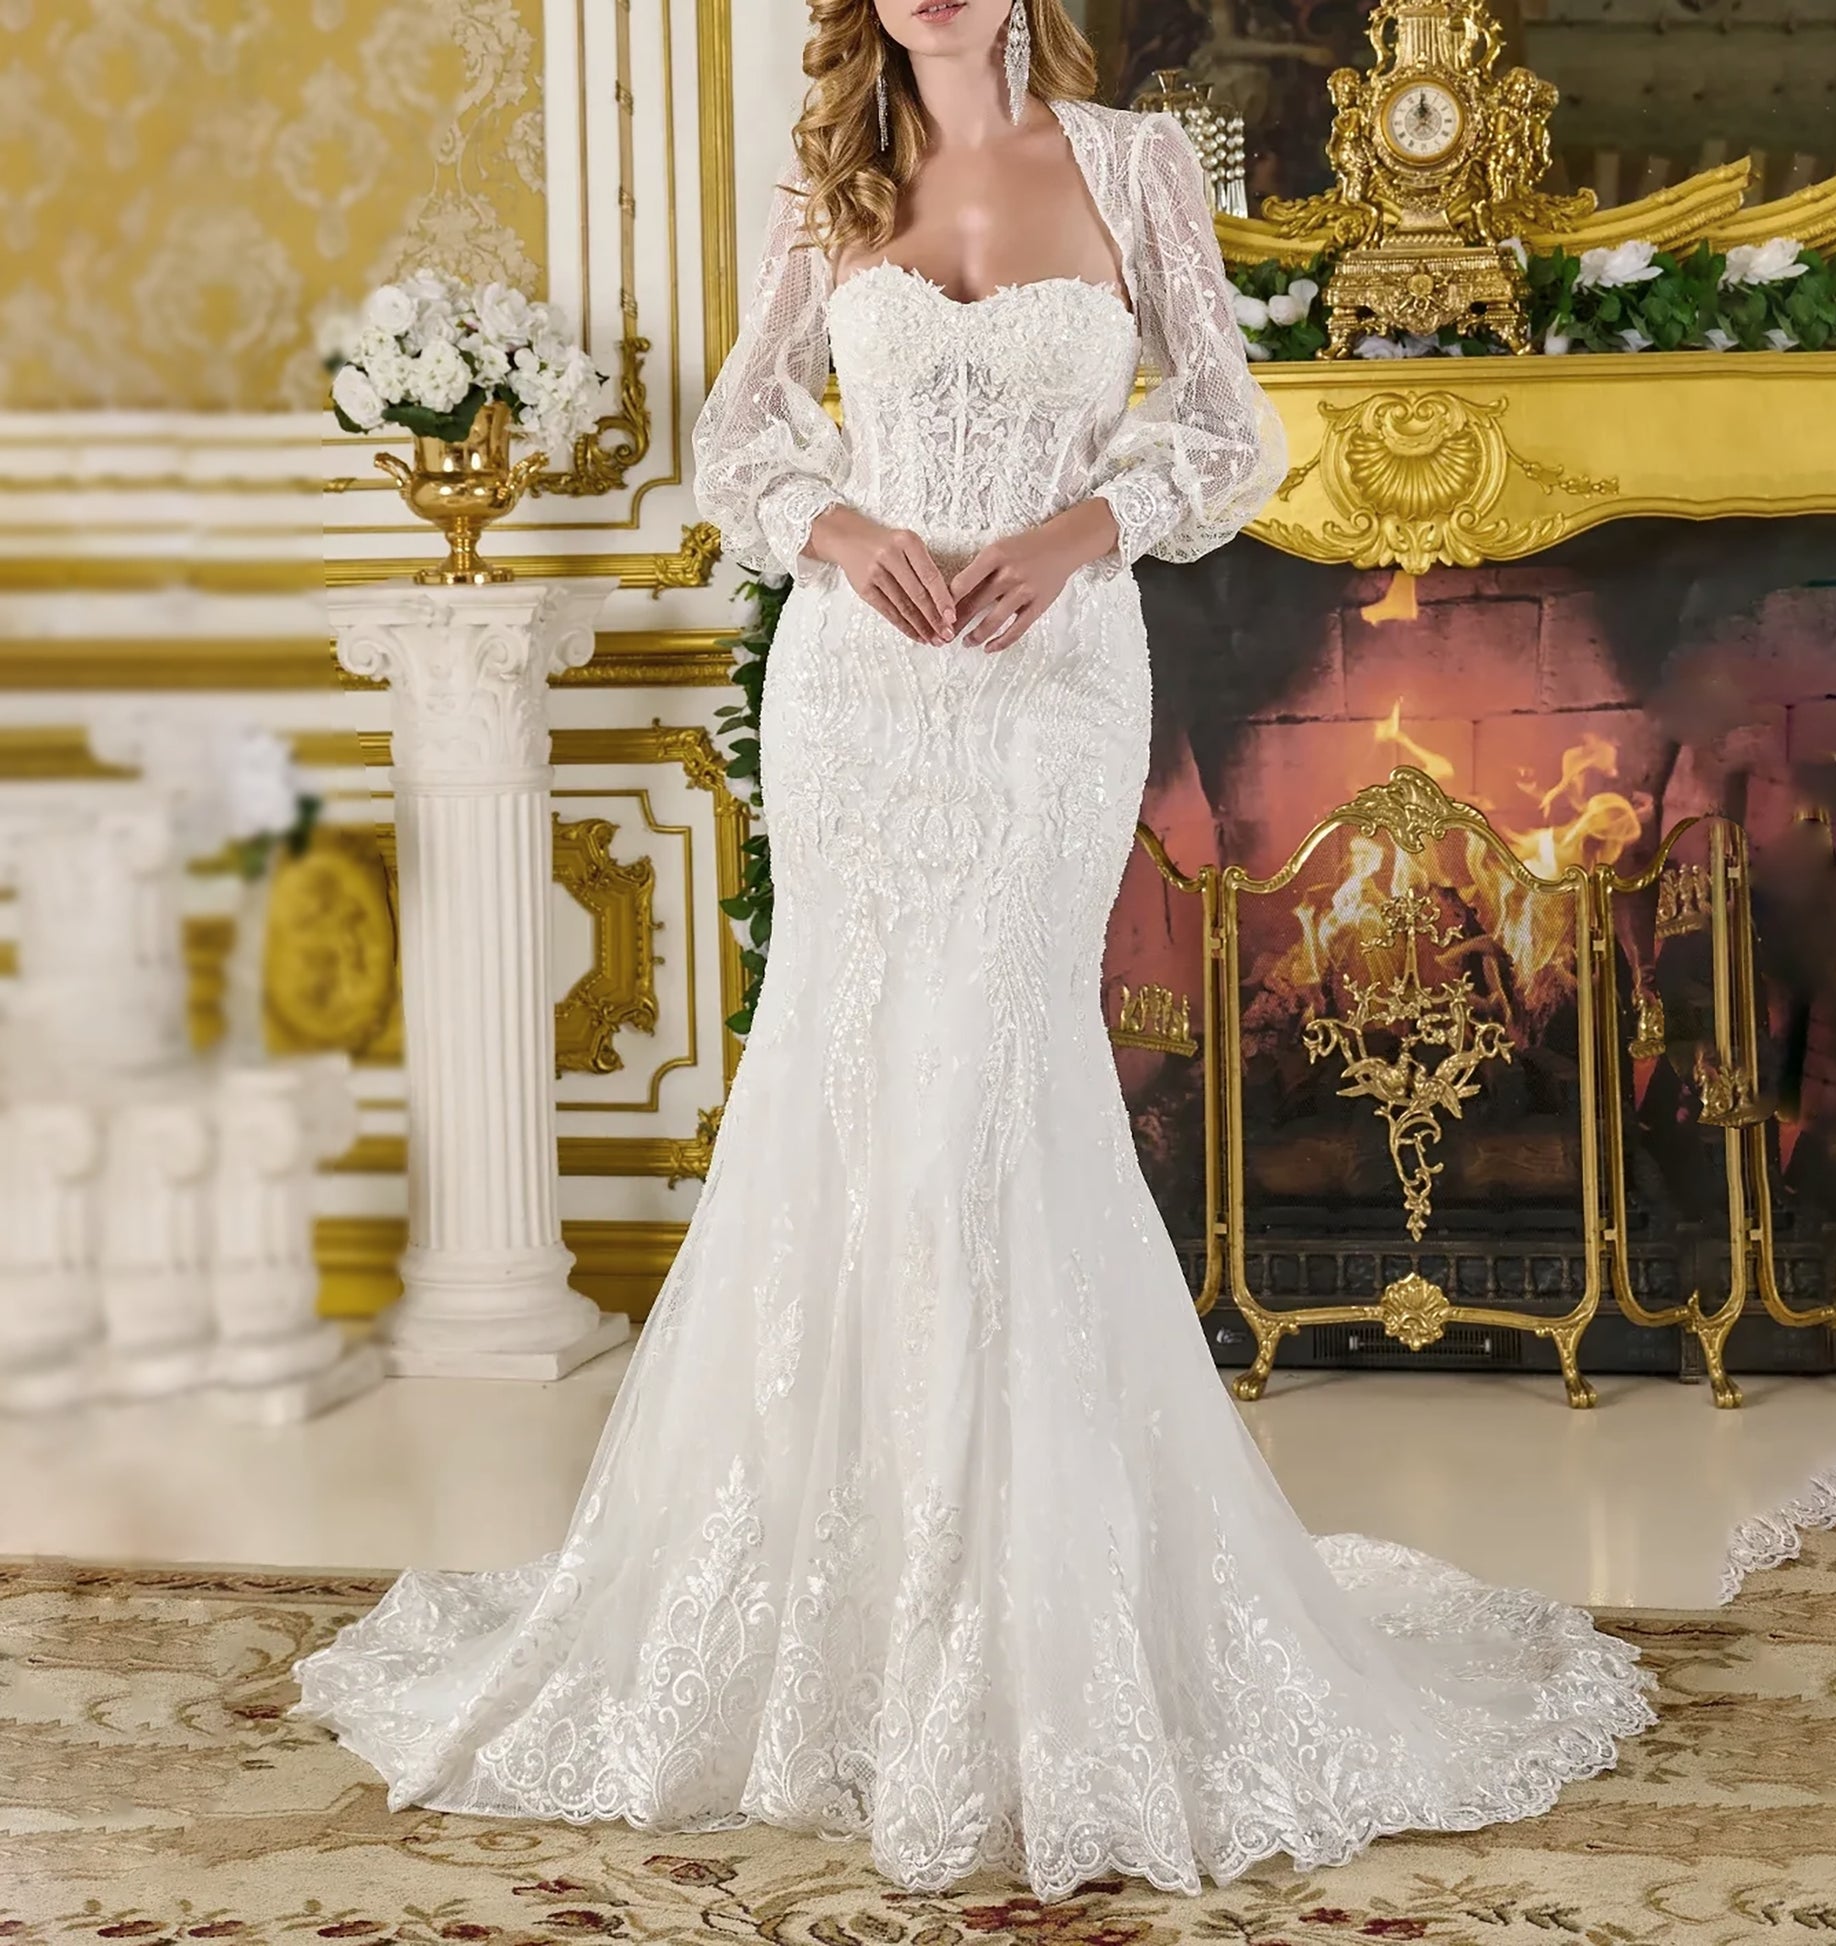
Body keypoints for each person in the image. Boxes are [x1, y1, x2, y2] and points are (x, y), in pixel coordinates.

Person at [293, 0, 1652, 1899]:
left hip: (1047, 682)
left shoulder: (1134, 166)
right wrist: (841, 532)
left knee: (992, 1092)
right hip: (862, 694)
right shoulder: (829, 178)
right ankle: (856, 1607)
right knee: (855, 1092)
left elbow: (1235, 431)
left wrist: (1080, 527)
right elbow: (732, 434)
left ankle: (1025, 1611)